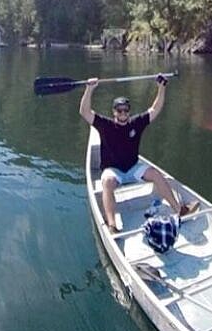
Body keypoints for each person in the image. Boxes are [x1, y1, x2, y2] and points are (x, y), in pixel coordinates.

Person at [80, 74, 197, 232]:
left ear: (129, 111)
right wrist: (89, 89)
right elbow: (84, 112)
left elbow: (154, 109)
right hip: (113, 171)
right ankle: (112, 225)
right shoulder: (105, 125)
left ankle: (179, 210)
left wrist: (161, 89)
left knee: (155, 174)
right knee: (107, 182)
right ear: (114, 112)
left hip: (133, 168)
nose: (123, 114)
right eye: (119, 111)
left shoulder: (136, 122)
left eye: (125, 111)